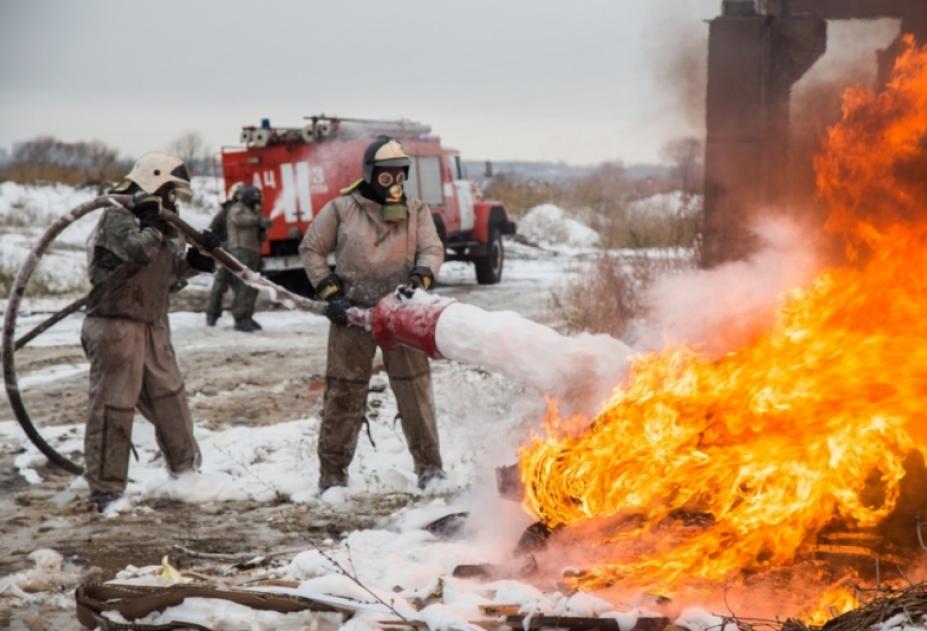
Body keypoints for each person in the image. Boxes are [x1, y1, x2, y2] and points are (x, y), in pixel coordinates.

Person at [299, 136, 446, 491]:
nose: (394, 184)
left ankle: (430, 471)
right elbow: (312, 248)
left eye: (400, 175)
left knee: (415, 392)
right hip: (353, 313)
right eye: (385, 176)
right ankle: (332, 476)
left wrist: (421, 277)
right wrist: (331, 292)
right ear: (370, 175)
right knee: (344, 393)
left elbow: (431, 248)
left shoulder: (416, 210)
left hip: (402, 315)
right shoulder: (342, 209)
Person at [81, 152, 221, 511]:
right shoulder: (116, 215)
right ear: (154, 180)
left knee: (170, 399)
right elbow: (137, 252)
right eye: (171, 190)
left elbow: (166, 280)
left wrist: (193, 263)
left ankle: (186, 475)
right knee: (114, 407)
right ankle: (107, 492)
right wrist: (153, 223)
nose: (174, 199)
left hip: (153, 324)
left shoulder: (163, 225)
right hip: (116, 324)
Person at [224, 185, 269, 332]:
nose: (257, 202)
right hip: (240, 250)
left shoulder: (250, 211)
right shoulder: (238, 208)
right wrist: (258, 220)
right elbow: (239, 220)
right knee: (244, 285)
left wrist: (262, 228)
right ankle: (240, 318)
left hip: (251, 250)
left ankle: (247, 316)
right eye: (255, 198)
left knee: (253, 285)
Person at [205, 182, 243, 327]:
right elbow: (211, 231)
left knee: (242, 287)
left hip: (238, 255)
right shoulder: (225, 212)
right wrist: (219, 248)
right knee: (220, 285)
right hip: (224, 255)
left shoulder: (245, 212)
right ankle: (212, 316)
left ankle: (241, 318)